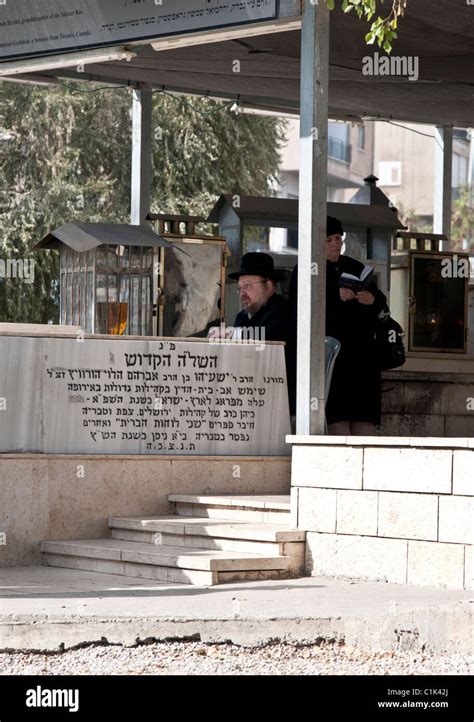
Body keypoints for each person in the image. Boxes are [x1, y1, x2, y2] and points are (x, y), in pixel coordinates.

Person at [288, 217, 387, 435]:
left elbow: (380, 301)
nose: (335, 244)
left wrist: (370, 299)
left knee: (364, 422)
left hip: (361, 360)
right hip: (331, 360)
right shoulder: (305, 269)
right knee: (337, 419)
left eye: (338, 239)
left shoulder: (353, 266)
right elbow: (300, 308)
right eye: (329, 240)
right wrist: (335, 294)